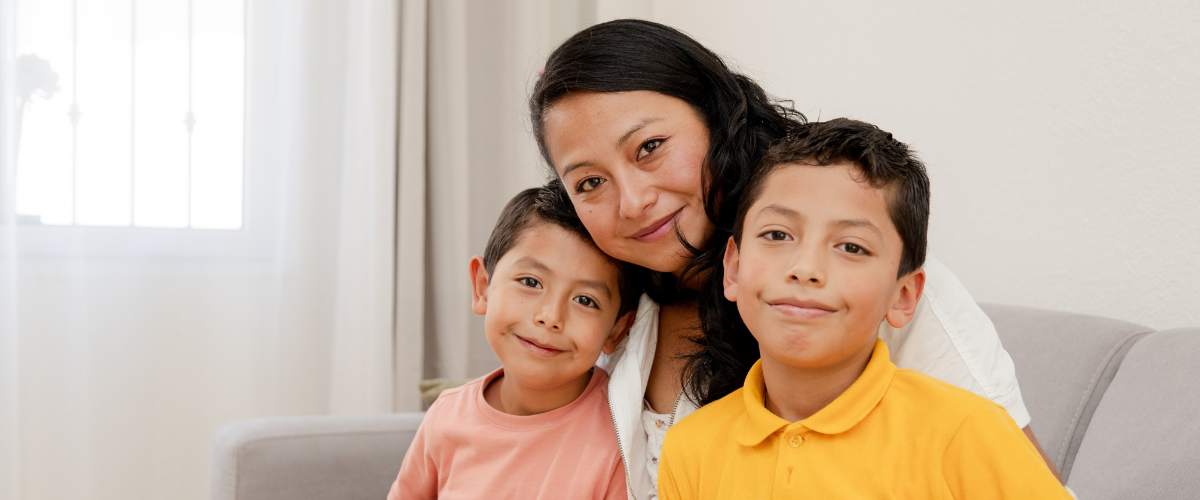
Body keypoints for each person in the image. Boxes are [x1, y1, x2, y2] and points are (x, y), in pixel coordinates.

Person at [529, 19, 1060, 499]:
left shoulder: (872, 288)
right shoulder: (609, 300)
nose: (632, 201)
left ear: (716, 120)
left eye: (650, 147)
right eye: (590, 182)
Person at [656, 119, 1070, 499]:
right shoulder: (691, 446)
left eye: (851, 247)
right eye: (778, 234)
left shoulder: (964, 432)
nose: (805, 269)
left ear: (903, 297)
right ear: (734, 268)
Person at [387, 184, 639, 499]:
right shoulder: (446, 416)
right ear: (482, 287)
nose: (550, 316)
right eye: (530, 282)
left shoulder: (621, 440)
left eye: (585, 300)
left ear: (617, 330)